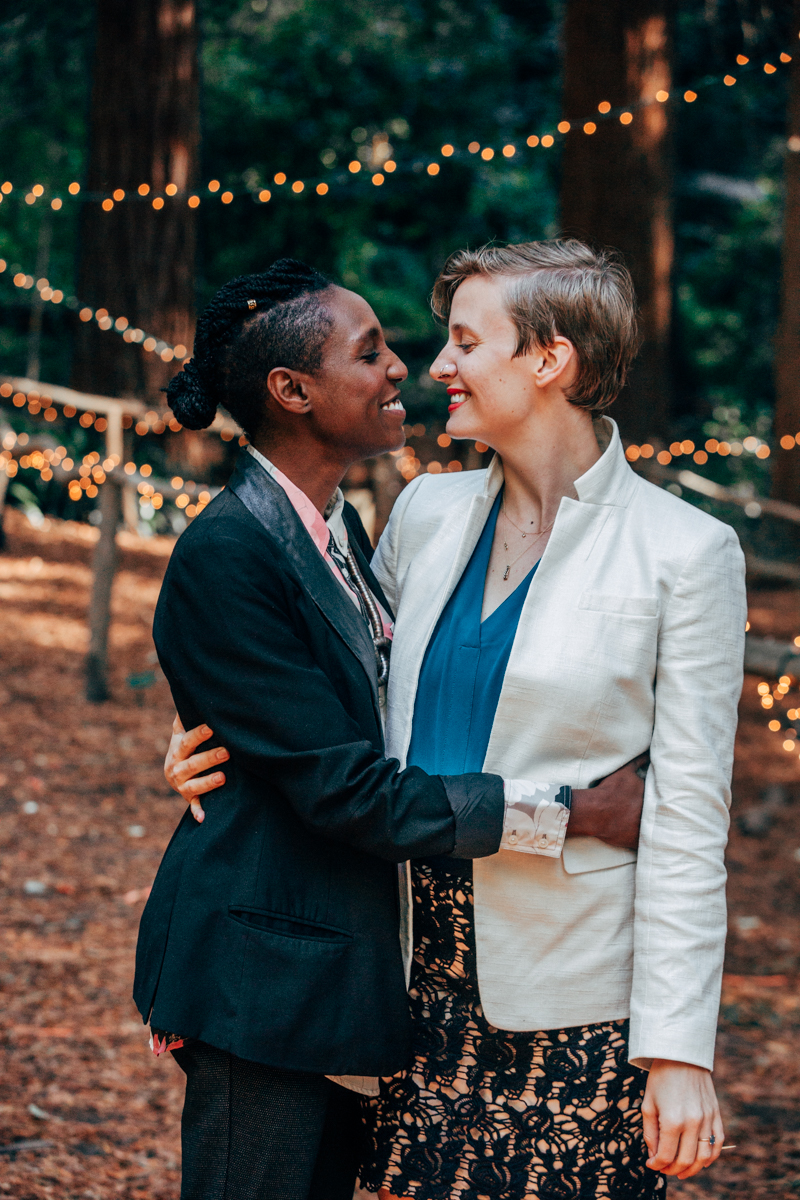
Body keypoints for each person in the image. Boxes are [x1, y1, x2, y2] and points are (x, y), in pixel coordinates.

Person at [171, 240, 745, 1198]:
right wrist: (211, 739)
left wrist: (680, 1050)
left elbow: (685, 824)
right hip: (397, 979)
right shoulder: (423, 516)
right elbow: (337, 701)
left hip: (575, 996)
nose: (434, 367)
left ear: (549, 361)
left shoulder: (686, 552)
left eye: (465, 342)